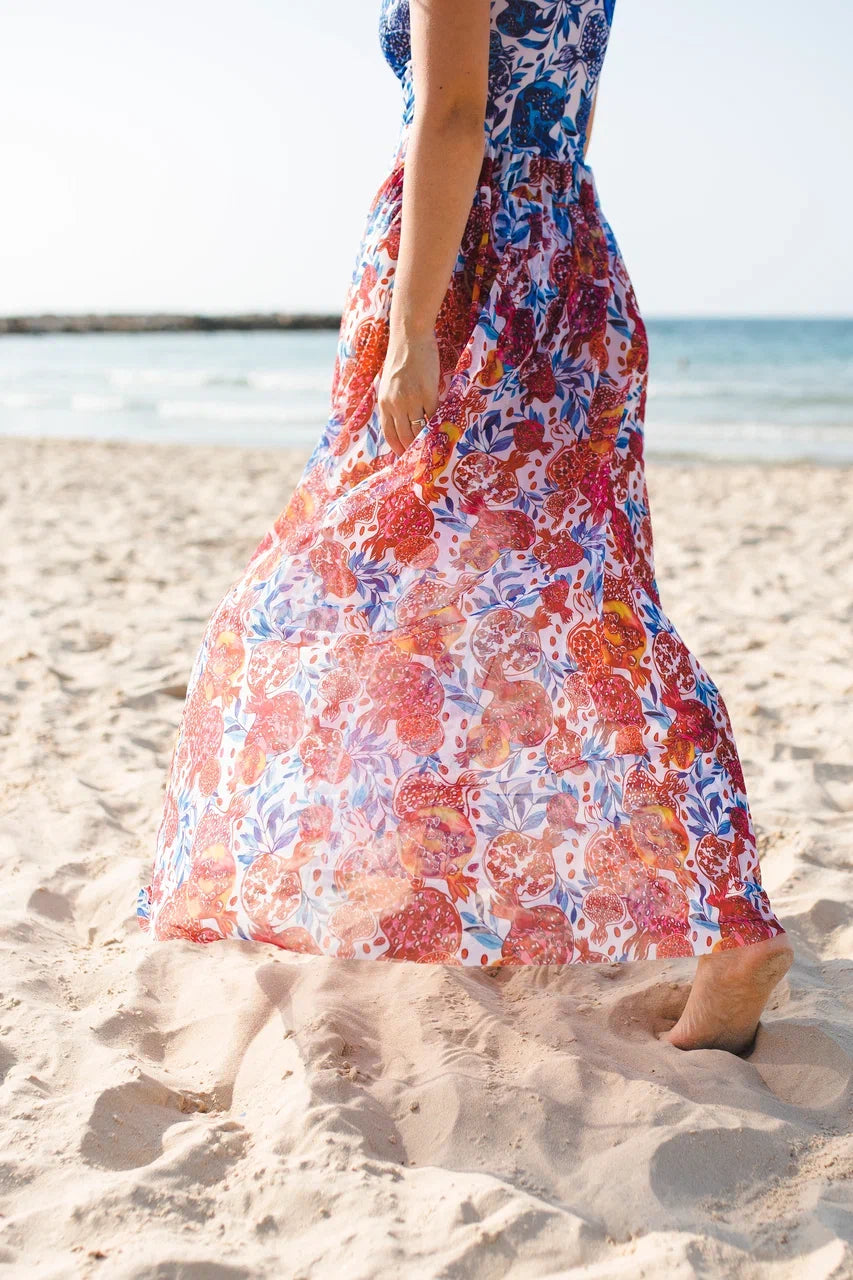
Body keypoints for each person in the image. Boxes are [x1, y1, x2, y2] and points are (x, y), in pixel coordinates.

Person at [136, 0, 793, 1053]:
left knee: (327, 576)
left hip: (474, 276)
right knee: (569, 595)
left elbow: (451, 113)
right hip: (569, 262)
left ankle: (719, 916)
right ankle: (688, 909)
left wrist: (408, 332)